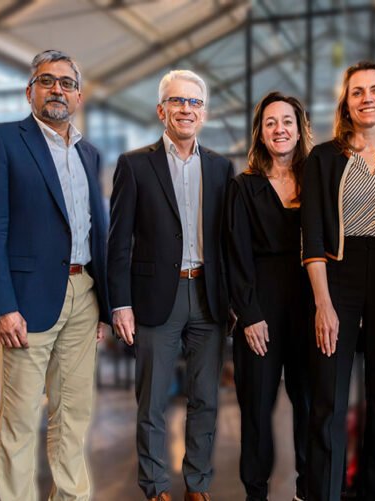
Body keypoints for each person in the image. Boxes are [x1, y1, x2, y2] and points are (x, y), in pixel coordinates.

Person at [0, 49, 110, 500]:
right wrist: (2, 307)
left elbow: (95, 229)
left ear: (79, 96)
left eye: (67, 83)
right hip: (25, 300)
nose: (57, 90)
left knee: (73, 414)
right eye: (47, 81)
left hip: (84, 293)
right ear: (29, 91)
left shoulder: (88, 153)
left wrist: (104, 305)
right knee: (20, 418)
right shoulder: (1, 141)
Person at [108, 69, 234, 501]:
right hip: (155, 297)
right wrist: (120, 304)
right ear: (161, 110)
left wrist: (234, 299)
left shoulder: (220, 168)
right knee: (153, 401)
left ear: (204, 113)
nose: (186, 109)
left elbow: (228, 240)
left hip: (208, 296)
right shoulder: (134, 165)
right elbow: (118, 241)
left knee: (206, 399)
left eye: (194, 102)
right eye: (177, 101)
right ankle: (155, 485)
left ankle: (197, 484)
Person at [301, 61, 375, 501]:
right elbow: (313, 235)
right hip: (338, 275)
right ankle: (326, 493)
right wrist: (323, 303)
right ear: (346, 103)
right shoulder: (324, 157)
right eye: (357, 91)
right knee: (329, 400)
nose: (367, 98)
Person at [225, 91, 313, 501]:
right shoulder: (243, 187)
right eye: (271, 122)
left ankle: (307, 490)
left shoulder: (318, 180)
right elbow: (235, 254)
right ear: (260, 132)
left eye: (287, 121)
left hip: (311, 307)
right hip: (260, 308)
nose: (280, 129)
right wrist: (249, 315)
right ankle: (256, 493)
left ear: (300, 129)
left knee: (310, 404)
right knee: (257, 408)